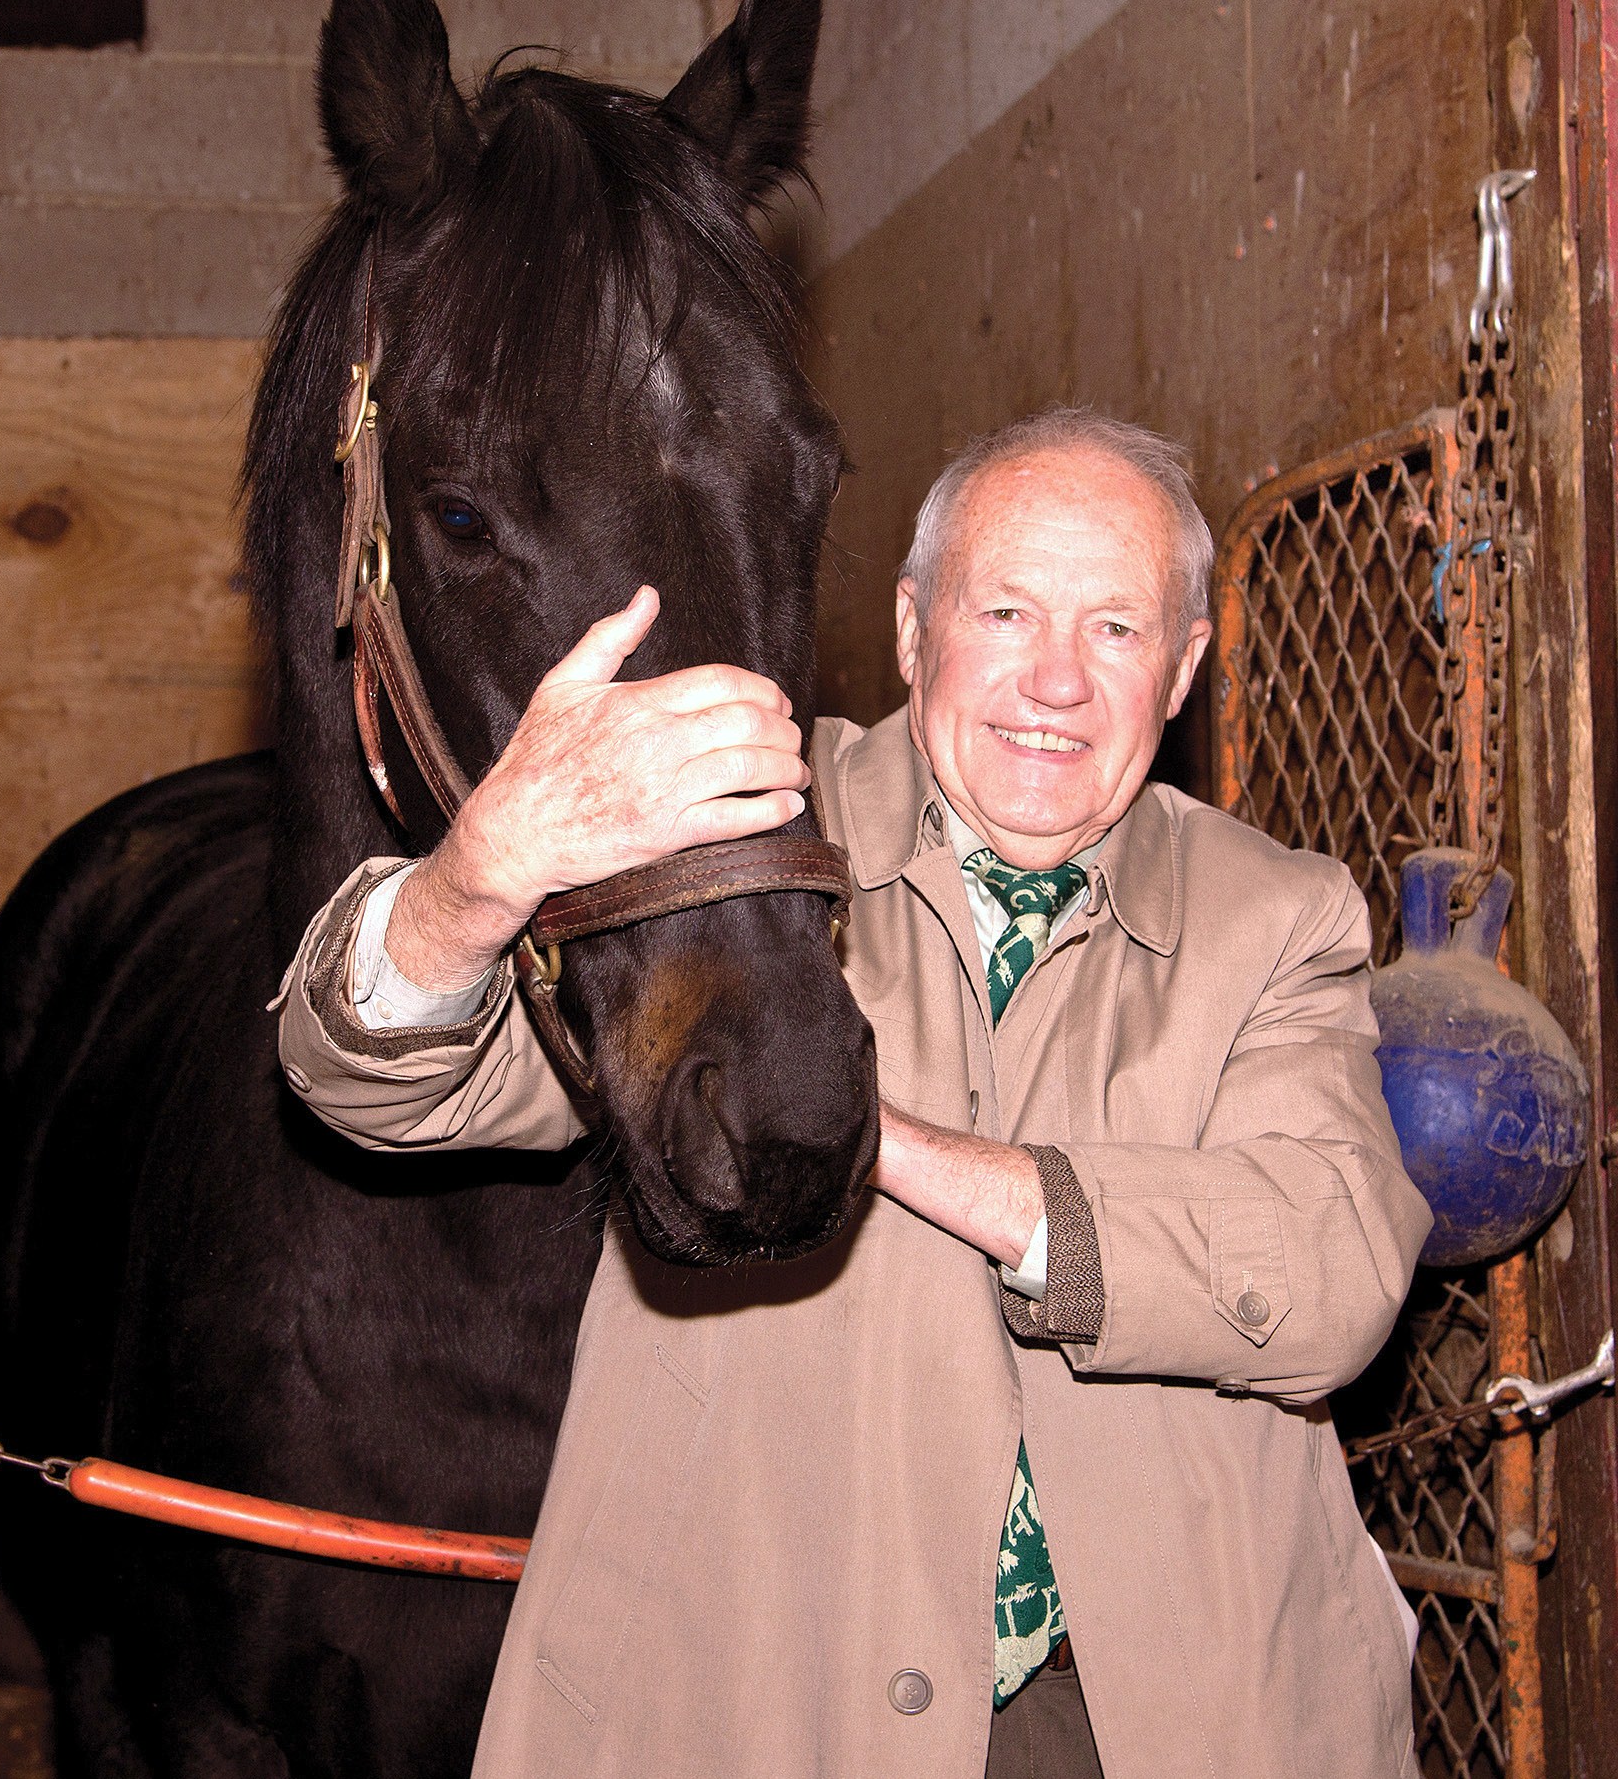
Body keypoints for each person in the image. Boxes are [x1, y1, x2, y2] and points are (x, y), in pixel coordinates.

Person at [278, 404, 1431, 1779]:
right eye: (1004, 613)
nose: (1057, 681)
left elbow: (1332, 1267)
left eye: (1117, 630)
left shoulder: (1279, 917)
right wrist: (479, 877)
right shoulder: (729, 824)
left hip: (1170, 1716)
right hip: (760, 1707)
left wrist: (885, 1144)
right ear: (908, 633)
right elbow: (399, 1086)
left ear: (1183, 670)